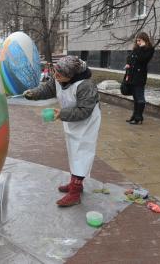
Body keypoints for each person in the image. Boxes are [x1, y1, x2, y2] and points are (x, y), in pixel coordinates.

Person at [23, 56, 101, 207]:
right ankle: (75, 184)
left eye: (59, 75)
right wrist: (33, 93)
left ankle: (75, 193)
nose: (55, 77)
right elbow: (48, 88)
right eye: (55, 73)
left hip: (86, 123)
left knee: (81, 154)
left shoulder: (85, 85)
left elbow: (84, 110)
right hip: (71, 120)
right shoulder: (60, 77)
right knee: (73, 152)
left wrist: (61, 114)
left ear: (71, 75)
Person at [124, 32, 154, 125]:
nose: (138, 42)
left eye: (139, 40)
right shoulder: (137, 48)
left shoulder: (149, 49)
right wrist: (128, 63)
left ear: (145, 40)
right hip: (132, 76)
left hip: (140, 77)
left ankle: (138, 117)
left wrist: (141, 48)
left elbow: (142, 59)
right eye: (137, 40)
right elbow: (129, 57)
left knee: (140, 98)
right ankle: (134, 116)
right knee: (136, 98)